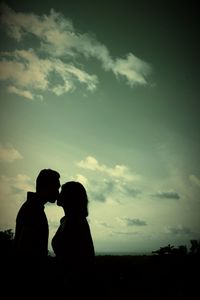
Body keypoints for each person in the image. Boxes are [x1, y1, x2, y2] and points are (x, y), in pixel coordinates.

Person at [13, 168, 60, 293]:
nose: (58, 192)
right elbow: (24, 251)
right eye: (56, 187)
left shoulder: (33, 207)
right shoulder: (33, 210)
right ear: (46, 187)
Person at [52, 181, 95, 296]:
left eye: (62, 192)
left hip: (73, 287)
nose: (58, 195)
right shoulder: (68, 220)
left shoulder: (76, 221)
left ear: (70, 198)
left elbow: (75, 260)